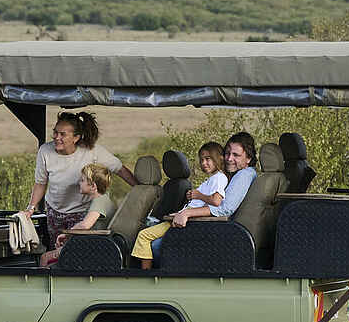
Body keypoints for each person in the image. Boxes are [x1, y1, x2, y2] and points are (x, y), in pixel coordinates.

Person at [132, 132, 257, 268]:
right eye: (227, 154)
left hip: (217, 232)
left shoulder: (244, 175)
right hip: (218, 230)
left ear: (248, 158)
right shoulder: (236, 175)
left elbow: (224, 208)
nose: (229, 159)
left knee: (152, 244)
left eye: (236, 155)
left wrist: (187, 213)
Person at [19, 110, 136, 237]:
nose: (57, 137)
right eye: (55, 132)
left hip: (82, 212)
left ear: (76, 137)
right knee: (57, 251)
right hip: (54, 212)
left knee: (73, 251)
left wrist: (139, 187)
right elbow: (40, 183)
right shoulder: (45, 151)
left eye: (62, 134)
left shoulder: (92, 151)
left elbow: (120, 169)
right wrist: (30, 208)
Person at [38, 163, 116, 267]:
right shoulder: (104, 199)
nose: (79, 183)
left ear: (93, 186)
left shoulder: (100, 201)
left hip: (90, 249)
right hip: (91, 245)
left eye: (82, 180)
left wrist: (66, 234)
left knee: (45, 258)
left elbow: (85, 225)